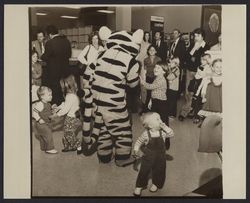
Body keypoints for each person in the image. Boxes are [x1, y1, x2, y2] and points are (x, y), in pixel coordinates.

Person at [133, 112, 174, 196]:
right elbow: (139, 141)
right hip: (148, 156)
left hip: (161, 156)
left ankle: (156, 183)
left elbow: (171, 134)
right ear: (150, 126)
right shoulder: (145, 134)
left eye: (160, 118)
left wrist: (165, 127)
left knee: (160, 170)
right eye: (157, 119)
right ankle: (139, 186)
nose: (160, 121)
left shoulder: (162, 132)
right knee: (144, 171)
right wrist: (136, 149)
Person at [179, 28, 210, 121]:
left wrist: (196, 56)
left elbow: (204, 61)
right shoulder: (192, 45)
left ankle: (187, 112)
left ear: (202, 36)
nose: (196, 37)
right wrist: (193, 49)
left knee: (196, 93)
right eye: (195, 35)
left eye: (198, 35)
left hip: (199, 73)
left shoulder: (206, 47)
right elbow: (185, 58)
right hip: (189, 71)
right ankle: (188, 111)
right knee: (188, 92)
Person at [41, 25, 72, 105]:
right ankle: (65, 106)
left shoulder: (50, 43)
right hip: (65, 72)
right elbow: (69, 54)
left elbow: (45, 57)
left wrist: (41, 56)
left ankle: (57, 108)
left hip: (54, 73)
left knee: (55, 92)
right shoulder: (66, 41)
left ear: (50, 34)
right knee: (65, 90)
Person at [53, 75, 82, 154]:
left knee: (68, 133)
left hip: (72, 118)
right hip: (72, 117)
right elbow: (64, 104)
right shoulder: (70, 95)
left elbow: (65, 110)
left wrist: (56, 115)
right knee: (66, 132)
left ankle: (78, 145)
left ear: (66, 87)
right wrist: (58, 108)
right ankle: (68, 146)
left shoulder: (71, 96)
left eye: (62, 87)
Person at [32, 86, 58, 154]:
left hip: (46, 123)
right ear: (42, 96)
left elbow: (47, 112)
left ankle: (44, 147)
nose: (51, 96)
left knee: (43, 137)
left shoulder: (48, 104)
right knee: (48, 134)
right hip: (41, 124)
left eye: (51, 94)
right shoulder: (40, 104)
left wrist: (53, 109)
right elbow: (34, 112)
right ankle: (50, 148)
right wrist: (39, 119)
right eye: (49, 95)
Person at [142, 45, 162, 112]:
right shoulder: (145, 60)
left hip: (156, 78)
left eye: (153, 50)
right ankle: (146, 109)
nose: (151, 51)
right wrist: (144, 80)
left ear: (156, 51)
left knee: (155, 94)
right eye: (150, 50)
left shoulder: (159, 59)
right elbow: (145, 70)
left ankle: (155, 109)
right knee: (148, 94)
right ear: (148, 51)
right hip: (148, 78)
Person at [168, 29, 186, 96]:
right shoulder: (172, 43)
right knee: (172, 78)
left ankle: (177, 93)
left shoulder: (182, 43)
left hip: (178, 64)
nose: (174, 34)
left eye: (175, 33)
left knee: (178, 80)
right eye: (173, 33)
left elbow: (183, 54)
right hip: (172, 64)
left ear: (179, 34)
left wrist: (178, 63)